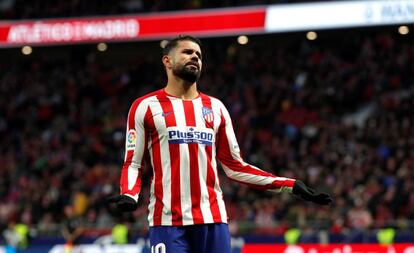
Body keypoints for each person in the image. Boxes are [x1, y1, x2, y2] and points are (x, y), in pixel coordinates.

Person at [109, 35, 332, 253]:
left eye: (198, 54)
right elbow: (133, 163)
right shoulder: (144, 107)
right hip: (167, 222)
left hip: (213, 220)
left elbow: (235, 167)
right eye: (187, 52)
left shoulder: (216, 108)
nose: (195, 57)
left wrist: (289, 184)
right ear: (167, 61)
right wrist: (129, 193)